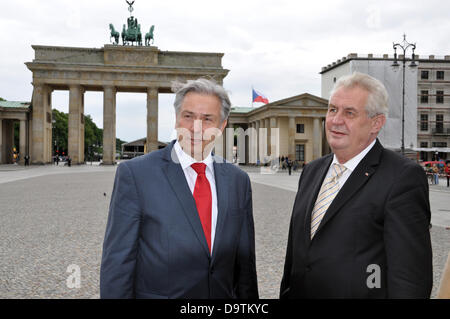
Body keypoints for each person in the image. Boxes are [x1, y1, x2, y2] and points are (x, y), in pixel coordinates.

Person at [100, 78, 258, 299]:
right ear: (176, 120)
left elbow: (245, 266)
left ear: (222, 126)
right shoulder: (136, 175)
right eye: (188, 116)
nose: (196, 127)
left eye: (207, 119)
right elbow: (118, 262)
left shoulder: (238, 181)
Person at [280, 72, 432, 298]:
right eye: (332, 109)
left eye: (349, 113)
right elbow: (296, 254)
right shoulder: (312, 171)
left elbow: (410, 277)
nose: (336, 120)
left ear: (376, 123)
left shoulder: (402, 178)